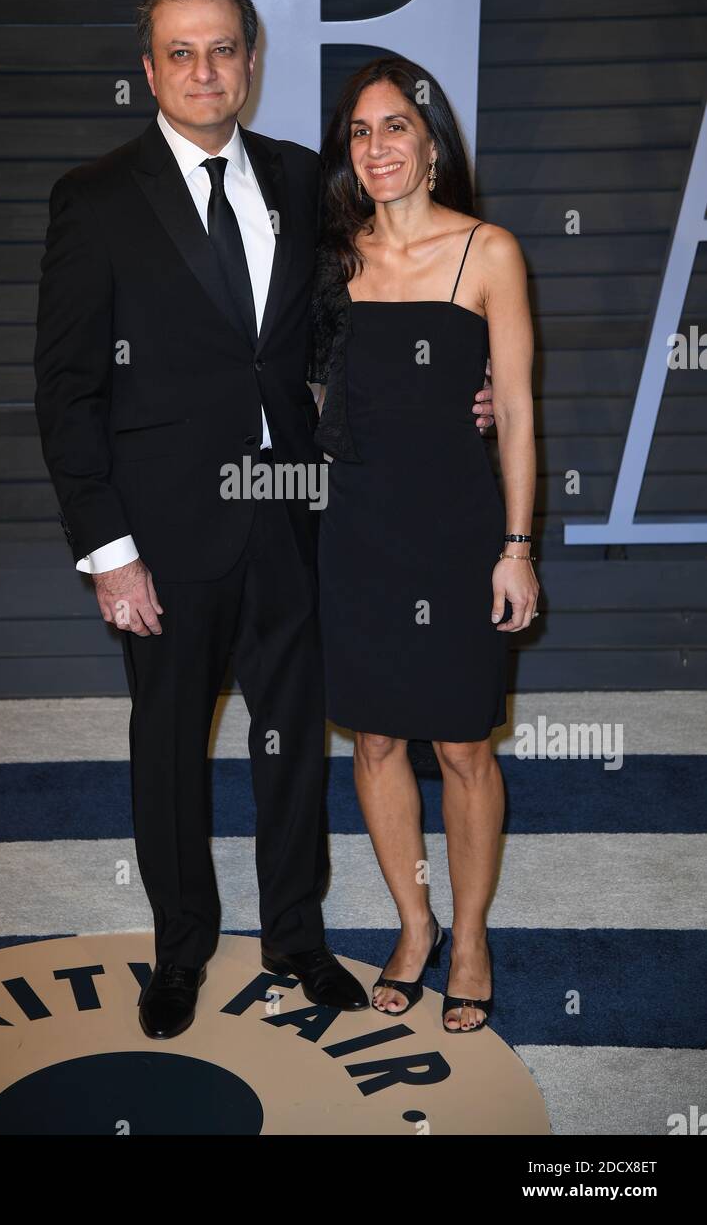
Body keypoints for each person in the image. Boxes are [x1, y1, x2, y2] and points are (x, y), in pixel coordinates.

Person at [34, 0, 495, 1040]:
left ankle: (295, 934)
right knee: (168, 749)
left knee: (292, 743)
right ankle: (180, 948)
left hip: (294, 516)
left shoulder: (298, 180)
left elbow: (345, 335)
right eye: (181, 53)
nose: (204, 71)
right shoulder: (94, 197)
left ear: (250, 61)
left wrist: (450, 389)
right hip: (160, 536)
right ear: (149, 70)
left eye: (223, 50)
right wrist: (108, 550)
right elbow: (66, 389)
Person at [309, 56, 539, 1032]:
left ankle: (472, 933)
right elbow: (306, 395)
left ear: (432, 144)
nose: (377, 148)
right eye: (359, 132)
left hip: (453, 528)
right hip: (353, 530)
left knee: (459, 743)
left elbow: (519, 414)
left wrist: (516, 547)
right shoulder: (331, 259)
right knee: (372, 738)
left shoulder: (486, 251)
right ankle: (413, 921)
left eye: (394, 126)